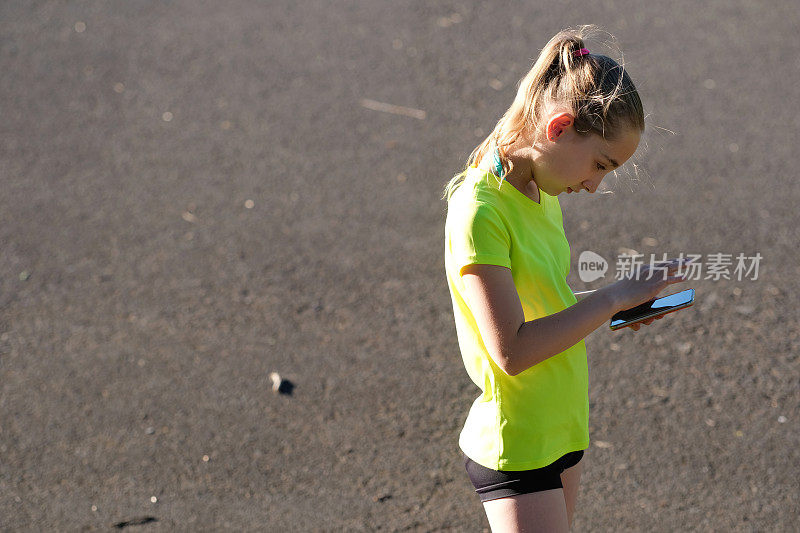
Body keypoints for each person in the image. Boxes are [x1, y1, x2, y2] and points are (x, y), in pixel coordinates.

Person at [442, 26, 689, 532]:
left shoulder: (541, 195)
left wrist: (612, 305)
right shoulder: (480, 210)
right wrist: (610, 299)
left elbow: (539, 304)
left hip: (563, 424)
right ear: (558, 127)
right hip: (519, 444)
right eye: (600, 164)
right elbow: (510, 349)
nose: (596, 185)